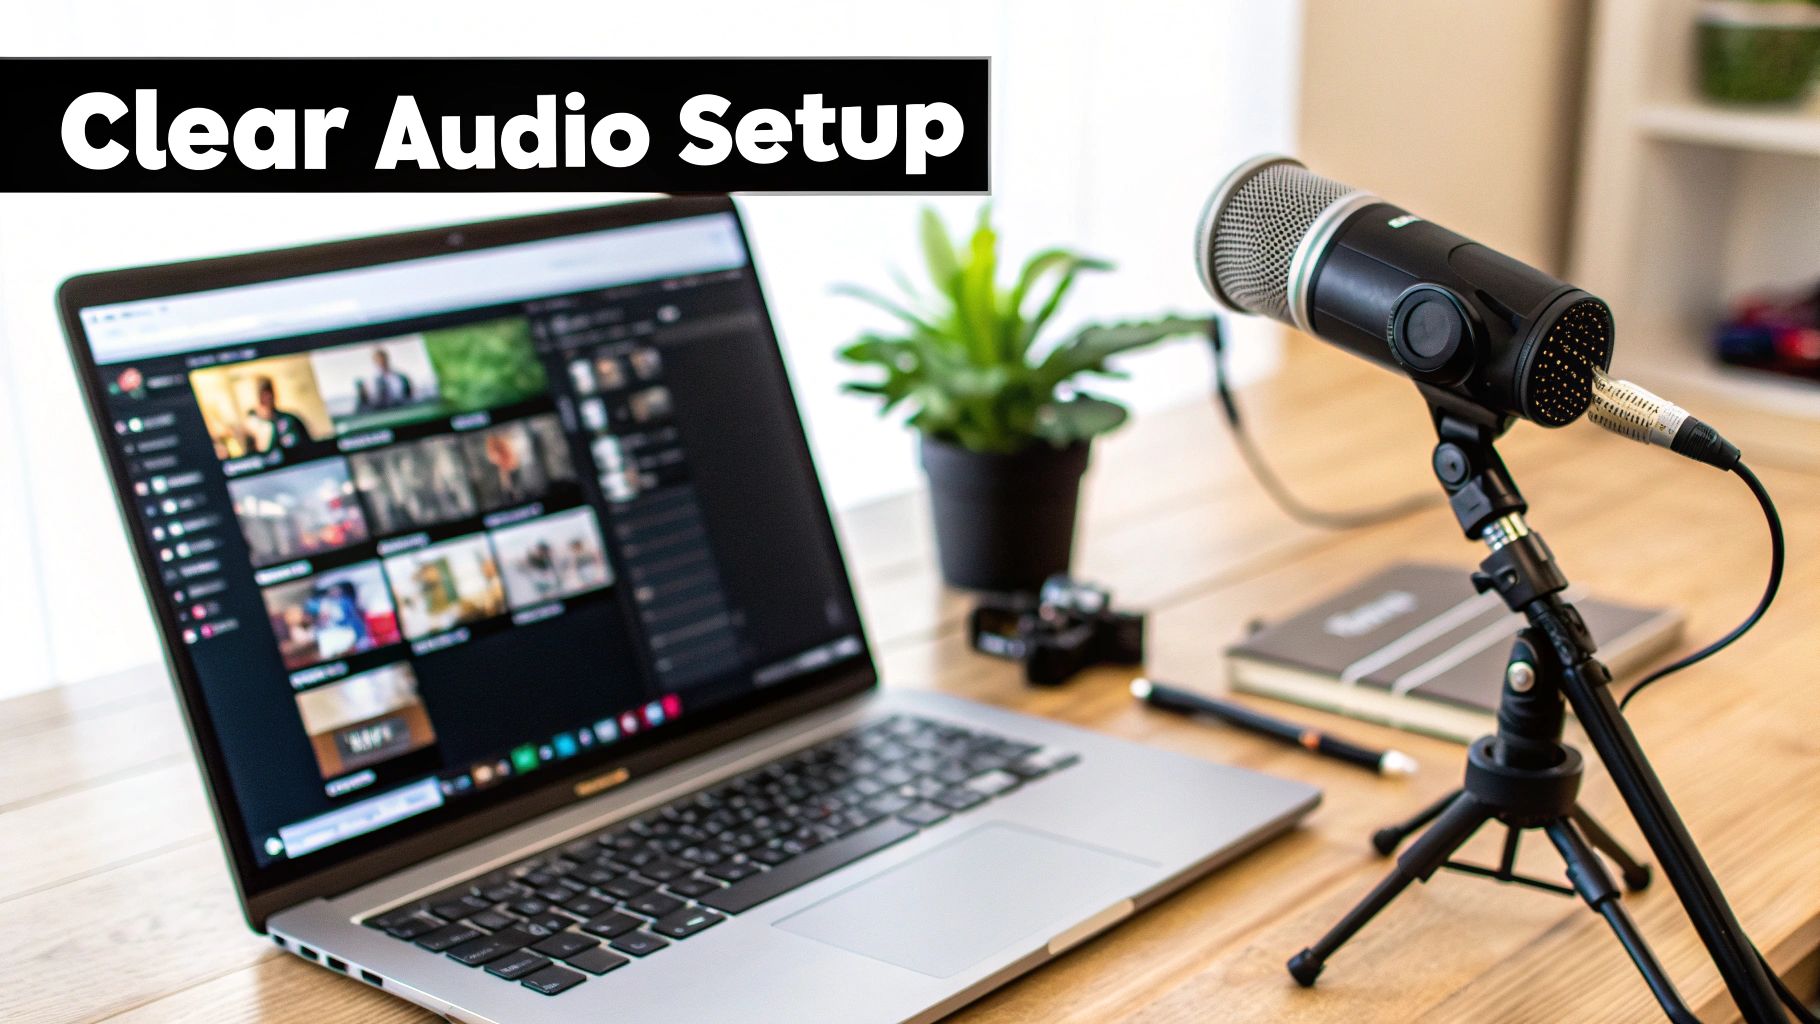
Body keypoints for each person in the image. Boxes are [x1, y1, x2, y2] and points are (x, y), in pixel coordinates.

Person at [244, 376, 309, 453]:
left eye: (268, 393)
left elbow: (307, 446)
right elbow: (252, 455)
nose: (267, 398)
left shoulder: (290, 419)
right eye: (262, 395)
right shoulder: (252, 427)